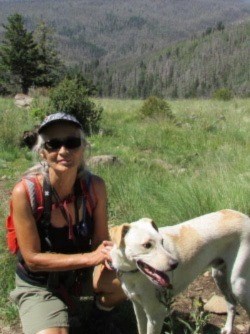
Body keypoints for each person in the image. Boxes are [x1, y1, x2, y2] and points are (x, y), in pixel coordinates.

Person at [10, 112, 126, 334]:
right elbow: (33, 260)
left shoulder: (95, 188)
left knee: (130, 282)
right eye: (53, 144)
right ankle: (50, 311)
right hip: (39, 283)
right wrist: (90, 258)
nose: (63, 151)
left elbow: (100, 241)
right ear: (43, 153)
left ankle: (98, 317)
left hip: (79, 274)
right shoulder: (25, 193)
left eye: (72, 143)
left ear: (83, 148)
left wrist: (110, 256)